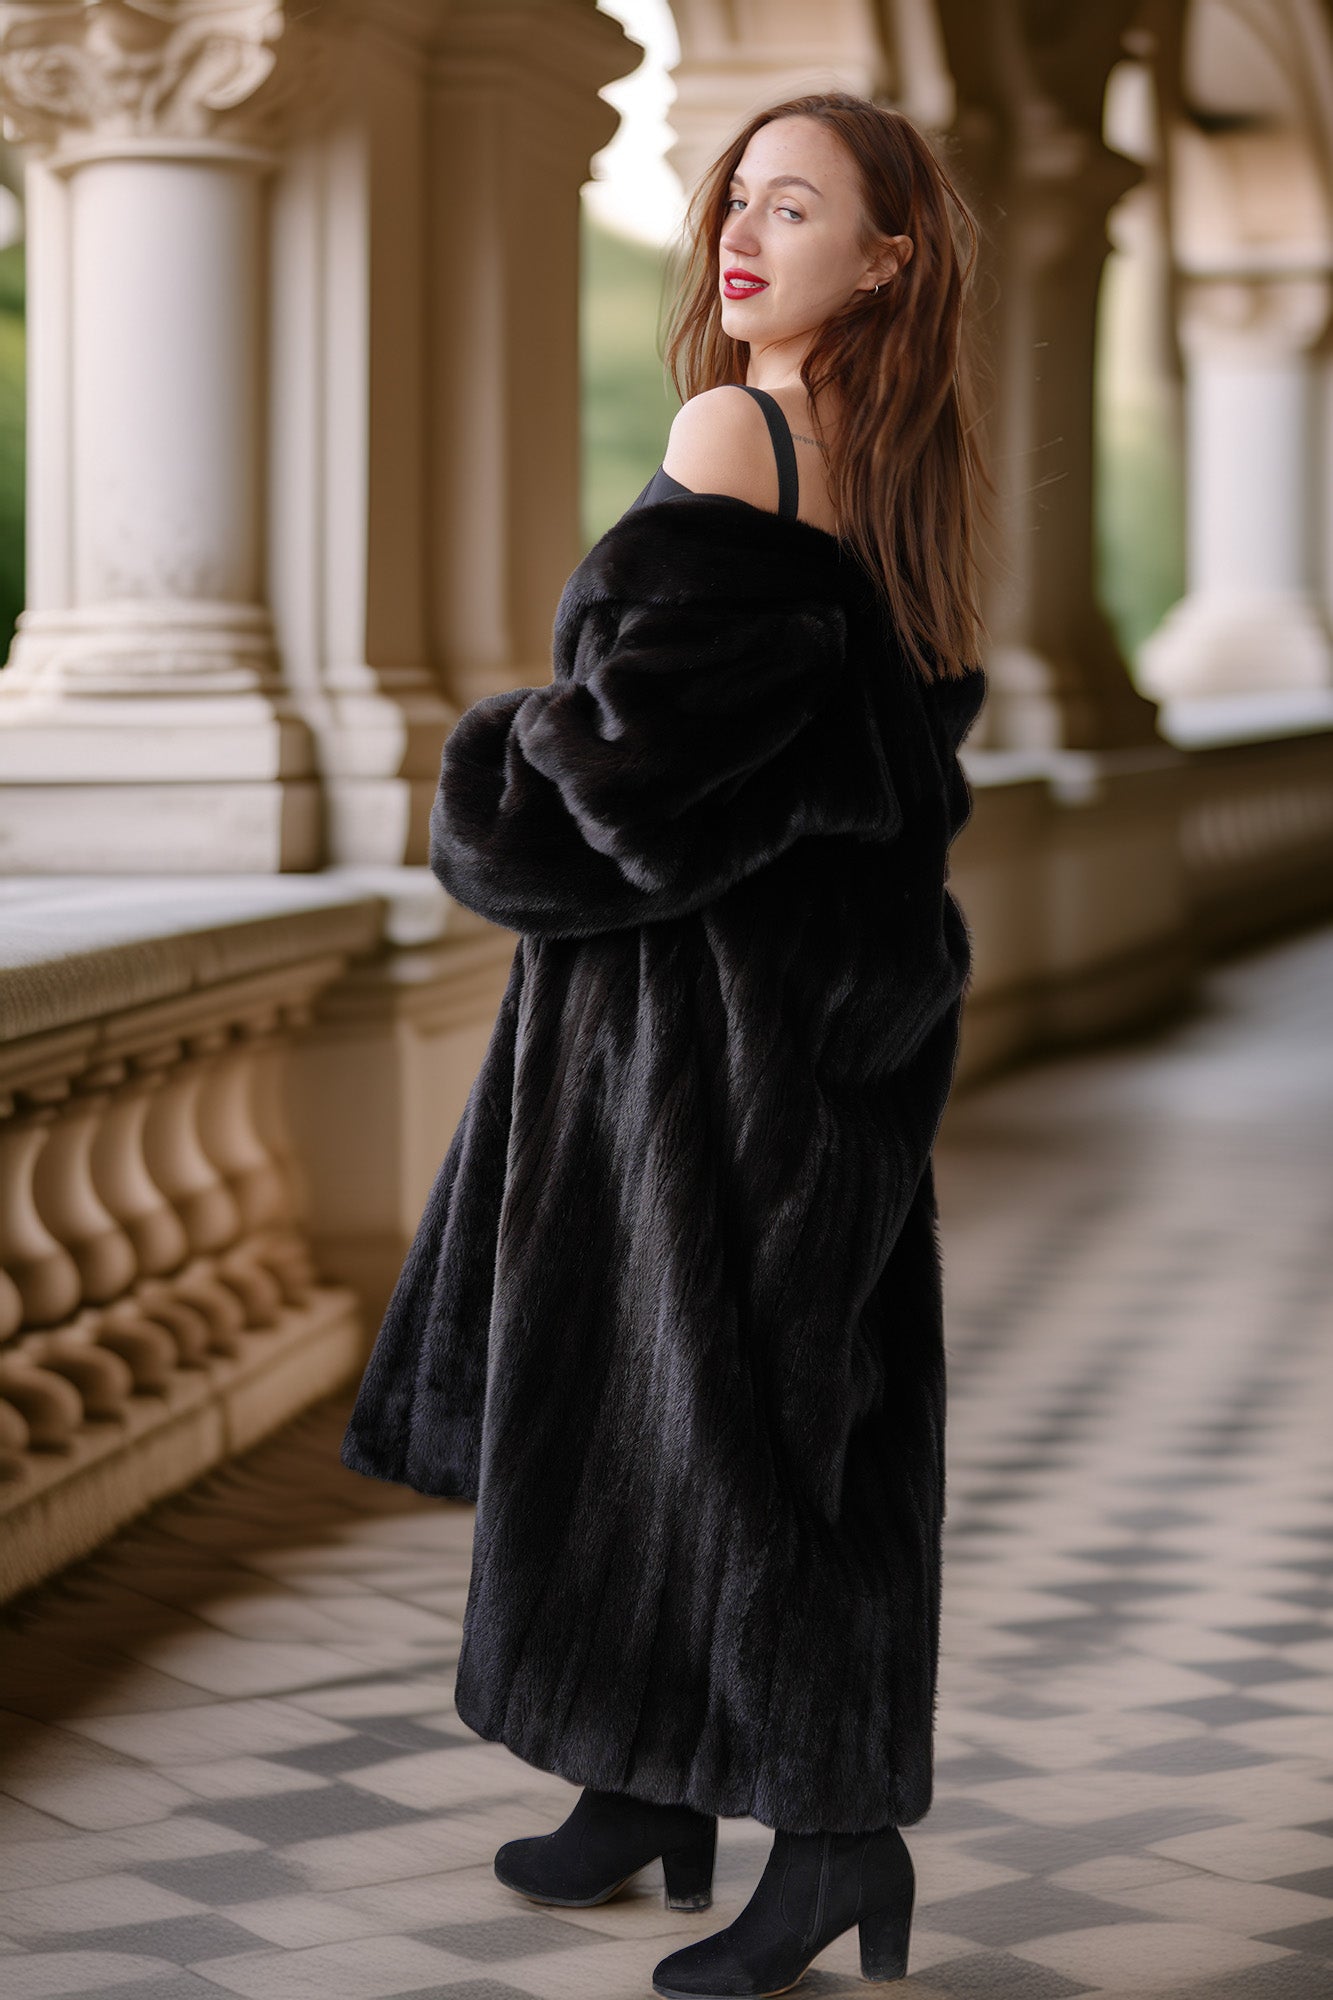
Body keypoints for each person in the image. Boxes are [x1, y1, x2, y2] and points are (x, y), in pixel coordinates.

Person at [340, 90, 991, 1998]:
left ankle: (831, 1838)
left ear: (883, 257)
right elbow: (847, 764)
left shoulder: (736, 426)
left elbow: (614, 799)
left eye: (798, 208)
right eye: (736, 197)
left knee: (702, 1412)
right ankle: (648, 1781)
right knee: (789, 1405)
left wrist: (486, 758)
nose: (742, 231)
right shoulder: (901, 459)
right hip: (826, 1019)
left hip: (690, 1024)